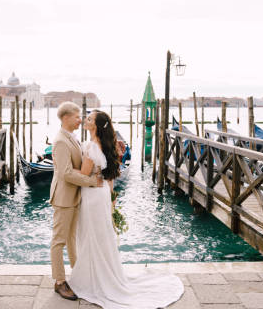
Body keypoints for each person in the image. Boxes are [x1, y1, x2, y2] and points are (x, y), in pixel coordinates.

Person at [68, 110, 184, 308]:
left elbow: (84, 173)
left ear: (95, 126)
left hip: (92, 195)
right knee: (102, 235)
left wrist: (65, 169)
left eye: (89, 119)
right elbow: (110, 178)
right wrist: (112, 201)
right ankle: (101, 274)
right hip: (103, 193)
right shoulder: (107, 146)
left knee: (91, 235)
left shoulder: (91, 147)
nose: (85, 121)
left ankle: (91, 279)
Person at [50, 101, 103, 300]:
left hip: (74, 196)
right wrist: (91, 182)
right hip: (64, 196)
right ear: (66, 118)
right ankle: (59, 282)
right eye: (77, 117)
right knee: (59, 240)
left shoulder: (71, 137)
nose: (80, 120)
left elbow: (84, 157)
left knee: (72, 239)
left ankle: (77, 275)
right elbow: (65, 173)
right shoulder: (61, 141)